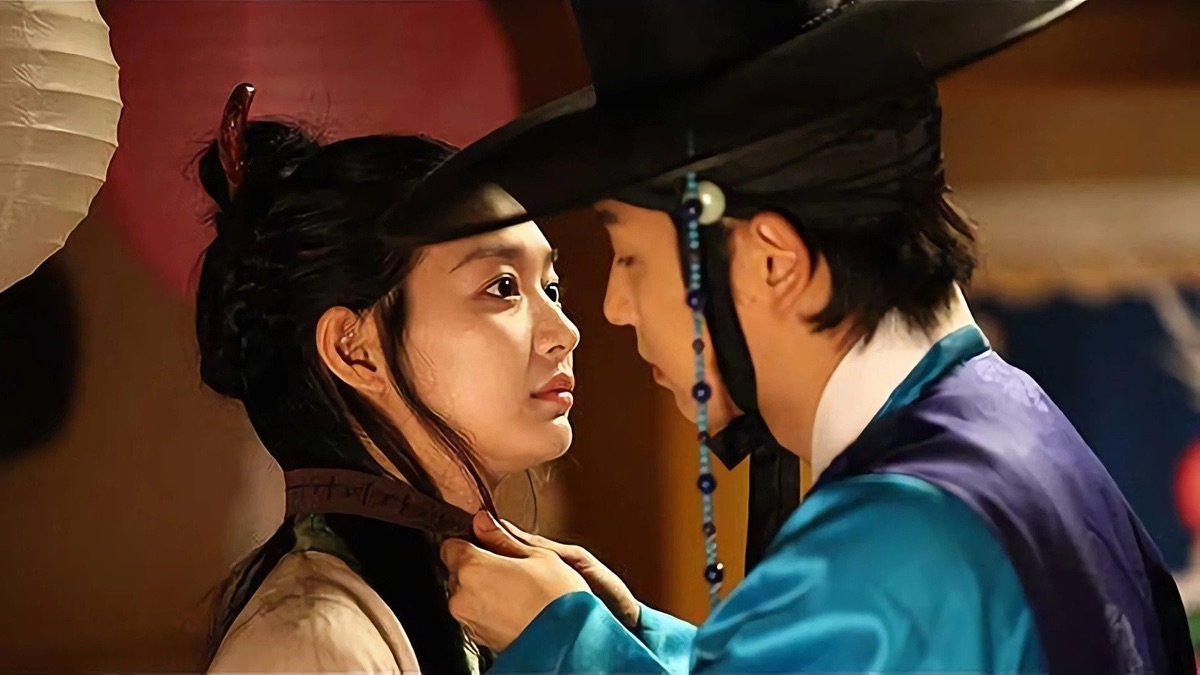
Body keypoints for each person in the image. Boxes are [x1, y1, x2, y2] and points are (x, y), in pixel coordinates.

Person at [410, 1, 1195, 673]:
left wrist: (566, 646)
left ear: (773, 262)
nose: (613, 306)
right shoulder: (1018, 429)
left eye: (632, 257)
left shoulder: (893, 540)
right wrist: (634, 636)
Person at [193, 84, 579, 674]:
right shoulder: (311, 646)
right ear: (355, 351)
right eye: (502, 287)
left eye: (550, 289)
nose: (564, 331)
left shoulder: (481, 607)